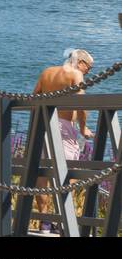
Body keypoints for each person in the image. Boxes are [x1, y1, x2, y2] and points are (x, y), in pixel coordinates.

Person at [31, 49, 95, 233]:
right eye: (88, 67)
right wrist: (82, 129)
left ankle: (44, 222)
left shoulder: (47, 72)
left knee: (42, 173)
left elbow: (34, 97)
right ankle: (62, 221)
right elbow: (81, 106)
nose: (88, 71)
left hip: (43, 124)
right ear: (80, 62)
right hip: (64, 127)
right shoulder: (76, 74)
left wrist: (36, 128)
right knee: (69, 174)